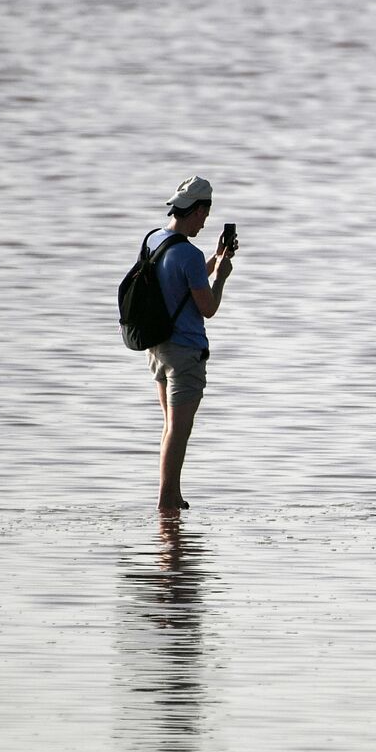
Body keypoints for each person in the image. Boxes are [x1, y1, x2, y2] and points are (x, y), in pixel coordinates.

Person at [147, 175, 236, 514]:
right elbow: (207, 308)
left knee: (170, 428)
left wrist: (213, 260)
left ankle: (173, 493)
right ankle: (166, 501)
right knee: (178, 431)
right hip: (184, 354)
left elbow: (180, 281)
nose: (204, 223)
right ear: (198, 210)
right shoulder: (188, 253)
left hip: (157, 348)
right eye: (205, 216)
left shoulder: (155, 240)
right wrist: (222, 276)